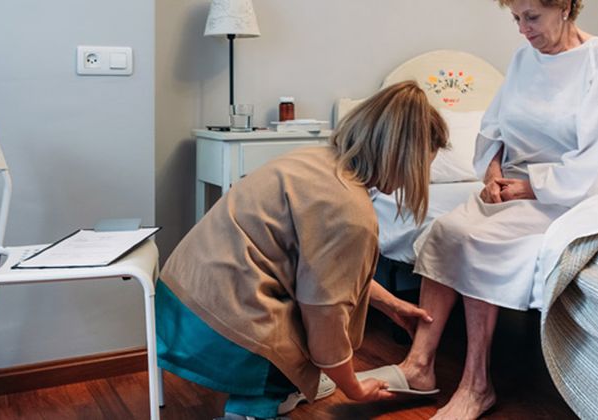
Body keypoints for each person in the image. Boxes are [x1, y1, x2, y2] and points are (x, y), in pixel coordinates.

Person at [379, 1, 598, 419]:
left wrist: (532, 187)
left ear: (565, 7)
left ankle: (477, 384)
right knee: (443, 231)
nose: (522, 29)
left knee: (478, 240)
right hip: (511, 185)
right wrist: (492, 170)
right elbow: (493, 128)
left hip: (565, 192)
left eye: (531, 17)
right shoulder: (522, 59)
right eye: (516, 18)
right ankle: (419, 364)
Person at [155, 81, 449, 420]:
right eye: (422, 165)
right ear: (400, 157)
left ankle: (283, 385)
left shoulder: (315, 160)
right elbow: (325, 311)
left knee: (298, 330)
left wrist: (392, 305)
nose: (420, 176)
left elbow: (322, 269)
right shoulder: (351, 213)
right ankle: (250, 410)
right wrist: (352, 387)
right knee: (291, 347)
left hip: (179, 304)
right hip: (218, 327)